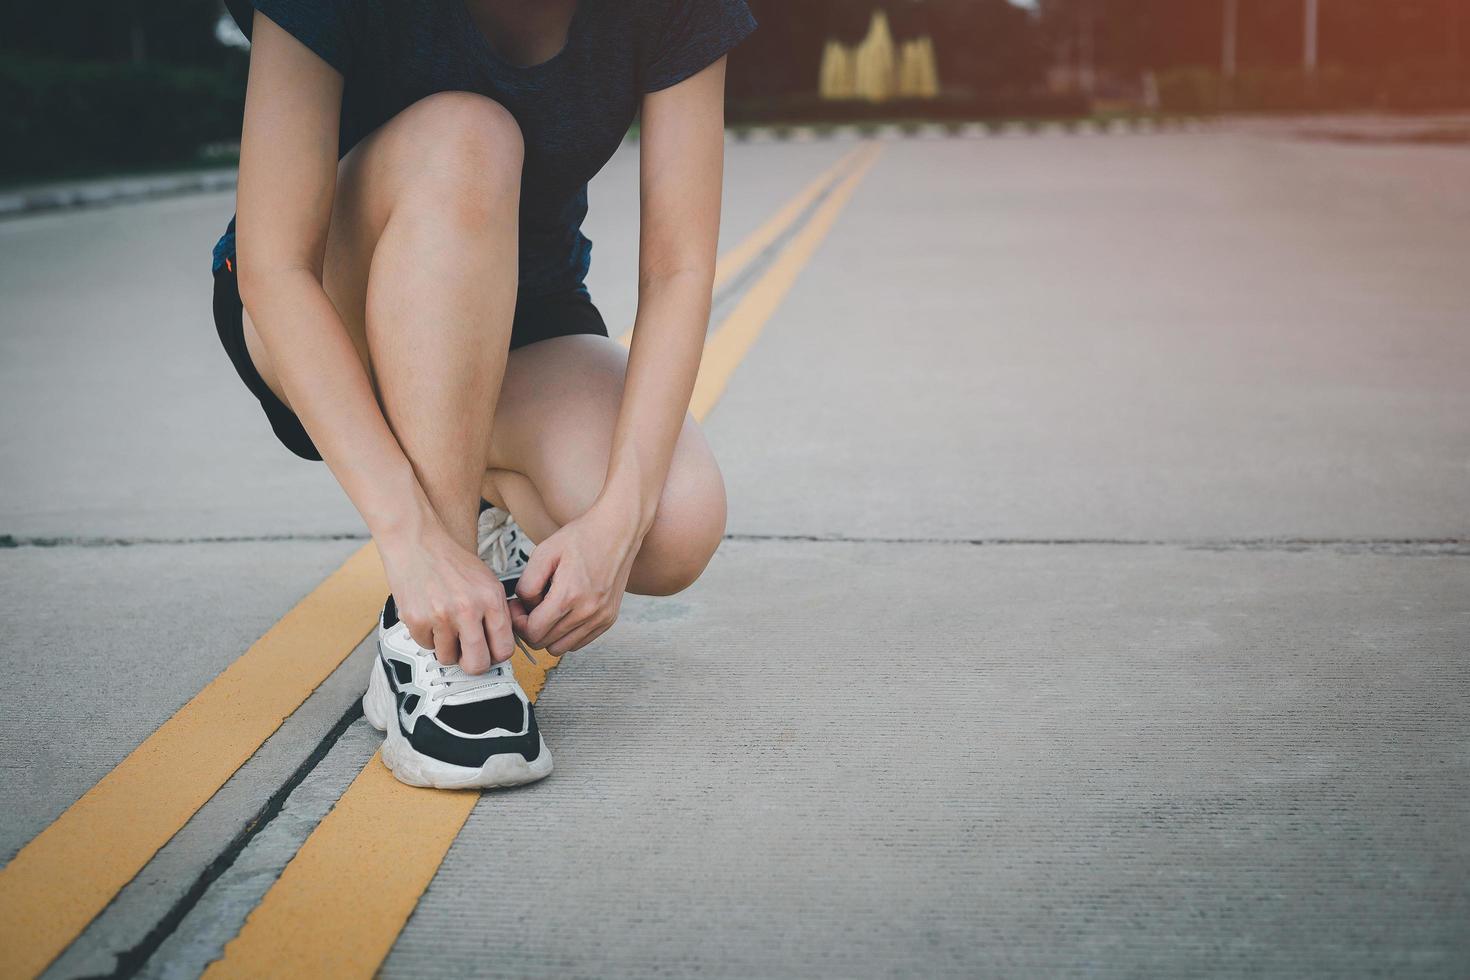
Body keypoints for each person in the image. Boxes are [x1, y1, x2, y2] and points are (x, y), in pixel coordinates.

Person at [211, 0, 755, 789]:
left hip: (522, 314)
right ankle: (428, 631)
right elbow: (273, 269)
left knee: (673, 523)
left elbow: (678, 269)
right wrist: (411, 539)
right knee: (470, 135)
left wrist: (616, 520)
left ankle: (480, 510)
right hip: (321, 304)